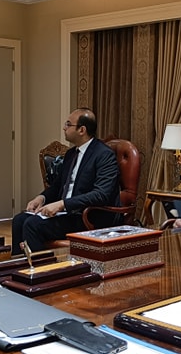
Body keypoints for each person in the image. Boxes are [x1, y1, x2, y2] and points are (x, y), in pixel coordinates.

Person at [11, 108, 120, 255]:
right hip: (66, 214)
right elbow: (57, 186)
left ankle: (41, 268)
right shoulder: (71, 154)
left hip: (86, 215)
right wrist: (41, 198)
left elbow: (101, 194)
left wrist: (62, 204)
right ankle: (19, 266)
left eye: (68, 124)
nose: (64, 128)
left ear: (82, 130)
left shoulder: (104, 155)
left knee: (33, 225)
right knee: (19, 220)